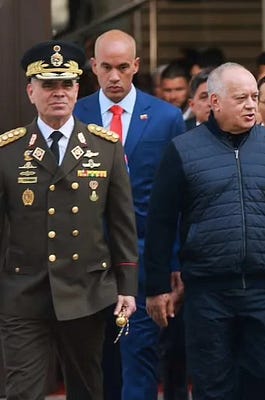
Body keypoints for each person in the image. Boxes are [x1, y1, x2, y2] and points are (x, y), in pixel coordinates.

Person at [143, 62, 265, 400]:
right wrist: (156, 286)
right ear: (214, 102)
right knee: (213, 386)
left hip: (264, 286)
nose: (250, 105)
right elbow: (161, 221)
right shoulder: (183, 150)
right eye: (241, 98)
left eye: (254, 97)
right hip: (207, 290)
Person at [0, 39, 138, 399]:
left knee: (87, 388)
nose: (58, 93)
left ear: (78, 90)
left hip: (86, 291)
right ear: (31, 91)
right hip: (23, 292)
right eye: (48, 85)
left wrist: (127, 285)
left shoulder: (104, 147)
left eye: (67, 84)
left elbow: (122, 223)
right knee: (22, 390)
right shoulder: (9, 151)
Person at [73, 29, 186, 400]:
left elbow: (176, 200)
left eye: (123, 67)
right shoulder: (75, 113)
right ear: (93, 66)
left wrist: (173, 263)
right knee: (92, 360)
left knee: (140, 357)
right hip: (86, 260)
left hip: (142, 257)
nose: (114, 76)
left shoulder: (166, 117)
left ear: (136, 65)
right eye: (106, 67)